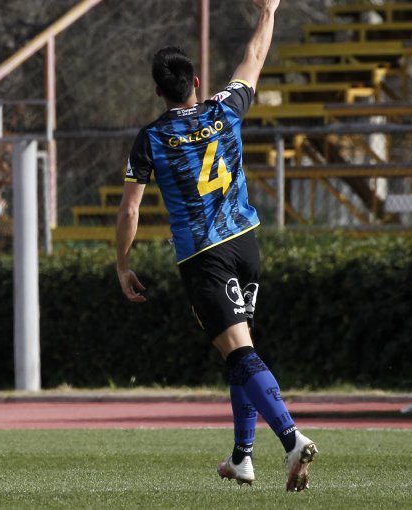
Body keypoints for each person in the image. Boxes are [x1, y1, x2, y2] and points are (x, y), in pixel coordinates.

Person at [115, 0, 318, 492]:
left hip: (204, 255)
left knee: (238, 355)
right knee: (241, 350)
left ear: (159, 91)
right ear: (197, 83)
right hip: (247, 244)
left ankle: (291, 439)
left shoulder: (151, 138)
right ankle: (242, 457)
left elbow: (129, 209)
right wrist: (268, 11)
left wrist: (122, 264)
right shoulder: (226, 109)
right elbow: (253, 59)